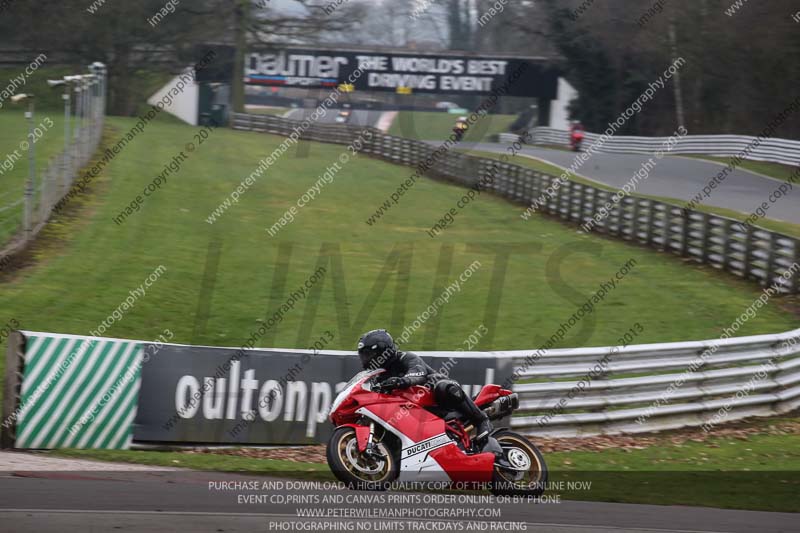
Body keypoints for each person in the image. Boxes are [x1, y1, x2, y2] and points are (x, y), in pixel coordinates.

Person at [356, 329, 493, 443]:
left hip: (437, 401)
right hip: (413, 415)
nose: (365, 359)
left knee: (442, 385)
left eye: (369, 354)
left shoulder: (406, 358)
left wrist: (401, 381)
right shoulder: (377, 376)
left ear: (382, 351)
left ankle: (481, 419)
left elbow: (418, 374)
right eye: (363, 355)